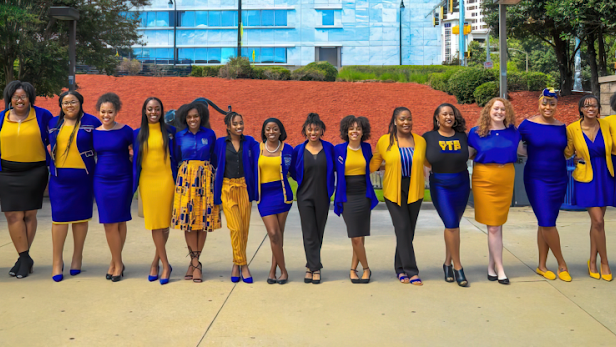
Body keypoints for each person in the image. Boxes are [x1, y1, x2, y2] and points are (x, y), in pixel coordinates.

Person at [0, 81, 53, 279]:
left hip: (35, 172)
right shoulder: (1, 118)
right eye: (15, 96)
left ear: (30, 97)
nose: (19, 100)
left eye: (23, 96)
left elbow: (56, 137)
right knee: (13, 216)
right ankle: (24, 257)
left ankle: (23, 259)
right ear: (9, 99)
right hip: (6, 173)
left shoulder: (42, 116)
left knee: (29, 215)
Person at [48, 91, 102, 282]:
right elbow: (42, 144)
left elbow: (103, 145)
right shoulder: (53, 123)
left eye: (73, 102)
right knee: (59, 220)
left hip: (83, 178)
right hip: (59, 179)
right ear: (60, 105)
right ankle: (56, 262)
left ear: (81, 103)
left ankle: (77, 258)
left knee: (81, 219)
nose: (69, 105)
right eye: (65, 102)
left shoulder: (92, 122)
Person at [518, 89, 570, 282]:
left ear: (557, 106)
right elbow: (512, 141)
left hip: (559, 177)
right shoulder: (527, 124)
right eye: (544, 103)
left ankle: (541, 266)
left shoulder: (562, 126)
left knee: (545, 222)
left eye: (552, 104)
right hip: (536, 179)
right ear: (539, 104)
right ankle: (562, 264)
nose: (548, 107)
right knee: (547, 221)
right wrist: (527, 152)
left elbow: (567, 149)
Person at [370, 107, 427, 285]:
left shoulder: (420, 141)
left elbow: (429, 161)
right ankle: (411, 271)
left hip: (415, 189)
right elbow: (374, 164)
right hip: (394, 189)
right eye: (402, 119)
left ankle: (400, 268)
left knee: (408, 231)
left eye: (409, 119)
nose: (406, 122)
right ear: (395, 121)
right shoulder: (385, 141)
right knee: (402, 228)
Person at [468, 97, 520, 285]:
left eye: (503, 109)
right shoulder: (475, 133)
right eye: (496, 108)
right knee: (494, 227)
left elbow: (523, 151)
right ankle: (500, 269)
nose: (499, 112)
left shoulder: (513, 132)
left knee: (497, 225)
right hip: (484, 179)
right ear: (488, 110)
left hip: (505, 178)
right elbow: (465, 154)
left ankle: (491, 266)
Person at [171, 102, 220, 283]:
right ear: (185, 118)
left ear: (201, 118)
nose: (193, 119)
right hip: (186, 180)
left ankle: (194, 263)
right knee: (188, 222)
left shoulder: (210, 134)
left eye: (196, 116)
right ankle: (195, 262)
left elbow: (214, 157)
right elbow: (176, 158)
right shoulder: (179, 136)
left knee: (202, 221)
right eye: (190, 117)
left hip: (206, 179)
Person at [566, 95, 613, 282]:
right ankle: (605, 263)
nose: (590, 108)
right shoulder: (572, 129)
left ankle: (592, 260)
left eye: (594, 105)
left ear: (599, 108)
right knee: (599, 221)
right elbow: (567, 152)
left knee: (597, 223)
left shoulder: (606, 125)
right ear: (581, 110)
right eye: (586, 105)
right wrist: (575, 157)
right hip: (586, 177)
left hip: (605, 175)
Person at [423, 103, 470, 287]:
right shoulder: (428, 137)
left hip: (462, 183)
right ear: (437, 118)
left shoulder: (462, 137)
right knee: (451, 224)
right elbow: (417, 155)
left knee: (454, 226)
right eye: (444, 114)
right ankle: (458, 267)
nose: (448, 117)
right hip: (441, 185)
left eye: (451, 114)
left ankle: (447, 264)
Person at [133, 97, 177, 285]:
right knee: (155, 224)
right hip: (148, 181)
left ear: (161, 111)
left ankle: (156, 263)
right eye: (150, 109)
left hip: (167, 180)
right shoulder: (137, 133)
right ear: (144, 111)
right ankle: (165, 264)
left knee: (163, 223)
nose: (153, 112)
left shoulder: (171, 132)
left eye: (157, 109)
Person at [93, 93, 134, 282]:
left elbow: (139, 153)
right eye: (103, 112)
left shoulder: (126, 131)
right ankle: (117, 262)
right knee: (109, 223)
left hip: (123, 180)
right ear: (98, 112)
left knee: (120, 221)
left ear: (117, 111)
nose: (106, 115)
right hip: (102, 181)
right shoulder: (94, 132)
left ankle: (115, 263)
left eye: (110, 112)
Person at [214, 112, 259, 283]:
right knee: (235, 228)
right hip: (227, 188)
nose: (239, 126)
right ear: (228, 126)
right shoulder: (220, 143)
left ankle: (236, 263)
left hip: (244, 188)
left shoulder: (250, 142)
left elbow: (262, 154)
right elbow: (212, 161)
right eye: (235, 124)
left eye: (241, 123)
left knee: (244, 229)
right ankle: (243, 264)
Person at [290, 113, 335, 285]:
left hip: (323, 195)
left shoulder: (329, 148)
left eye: (316, 129)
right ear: (305, 131)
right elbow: (293, 171)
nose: (313, 132)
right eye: (310, 129)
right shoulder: (299, 150)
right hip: (305, 196)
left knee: (319, 231)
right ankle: (315, 268)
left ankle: (310, 265)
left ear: (322, 130)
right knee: (309, 232)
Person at [334, 115, 378, 284]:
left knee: (359, 235)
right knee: (355, 237)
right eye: (351, 128)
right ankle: (366, 268)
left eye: (358, 128)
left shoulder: (366, 148)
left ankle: (353, 269)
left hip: (364, 194)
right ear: (346, 131)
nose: (355, 131)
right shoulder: (338, 150)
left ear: (363, 131)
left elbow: (375, 164)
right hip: (347, 196)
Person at [255, 118, 293, 284]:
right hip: (264, 197)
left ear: (280, 131)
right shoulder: (257, 149)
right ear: (264, 131)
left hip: (282, 195)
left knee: (278, 236)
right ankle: (283, 271)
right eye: (268, 129)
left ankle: (273, 270)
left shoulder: (288, 149)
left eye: (275, 129)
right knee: (273, 233)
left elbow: (296, 170)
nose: (271, 132)